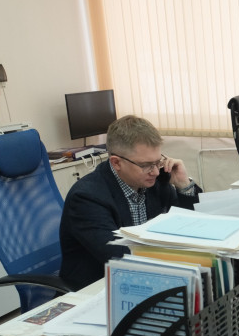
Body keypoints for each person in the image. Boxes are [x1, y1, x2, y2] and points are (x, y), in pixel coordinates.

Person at [59, 115, 201, 290]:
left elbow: (192, 226)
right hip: (99, 288)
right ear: (116, 163)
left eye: (158, 162)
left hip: (145, 279)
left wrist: (183, 185)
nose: (156, 172)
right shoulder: (87, 197)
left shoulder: (155, 182)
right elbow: (119, 255)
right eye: (146, 165)